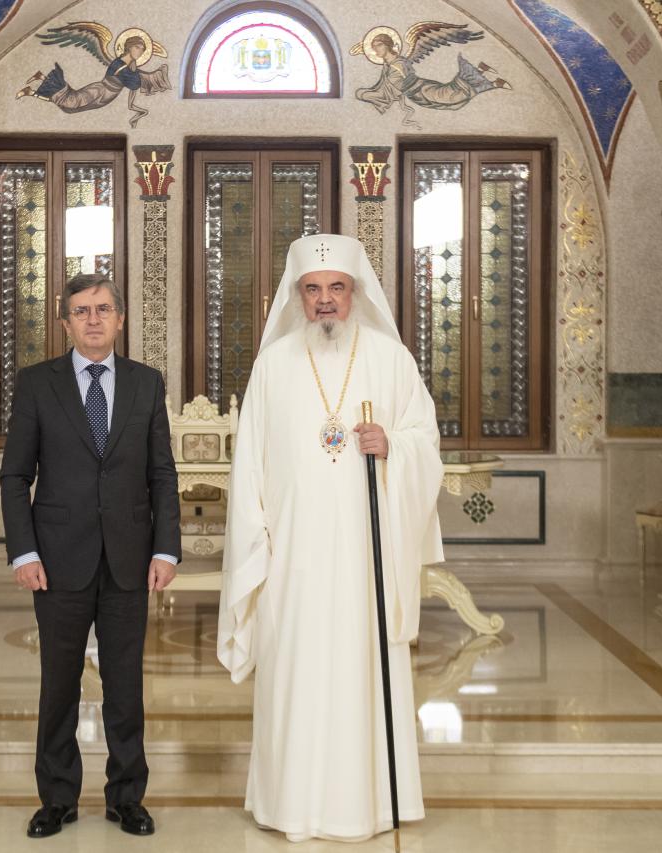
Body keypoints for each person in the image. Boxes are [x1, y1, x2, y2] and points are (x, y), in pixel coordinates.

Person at [218, 234, 445, 842]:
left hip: (366, 558)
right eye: (313, 289)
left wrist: (393, 444)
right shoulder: (273, 365)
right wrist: (257, 543)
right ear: (297, 295)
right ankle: (288, 805)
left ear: (355, 292)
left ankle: (366, 806)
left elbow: (426, 442)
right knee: (295, 679)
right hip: (292, 560)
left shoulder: (391, 360)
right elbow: (248, 467)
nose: (325, 300)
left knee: (360, 678)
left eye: (336, 288)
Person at [0, 273, 181, 839]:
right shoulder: (37, 384)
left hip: (129, 558)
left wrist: (166, 548)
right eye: (81, 311)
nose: (93, 319)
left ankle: (127, 798)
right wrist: (23, 552)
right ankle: (57, 799)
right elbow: (14, 476)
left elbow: (162, 474)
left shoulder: (146, 383)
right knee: (59, 684)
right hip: (57, 561)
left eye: (103, 309)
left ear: (120, 319)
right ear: (65, 322)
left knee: (125, 686)